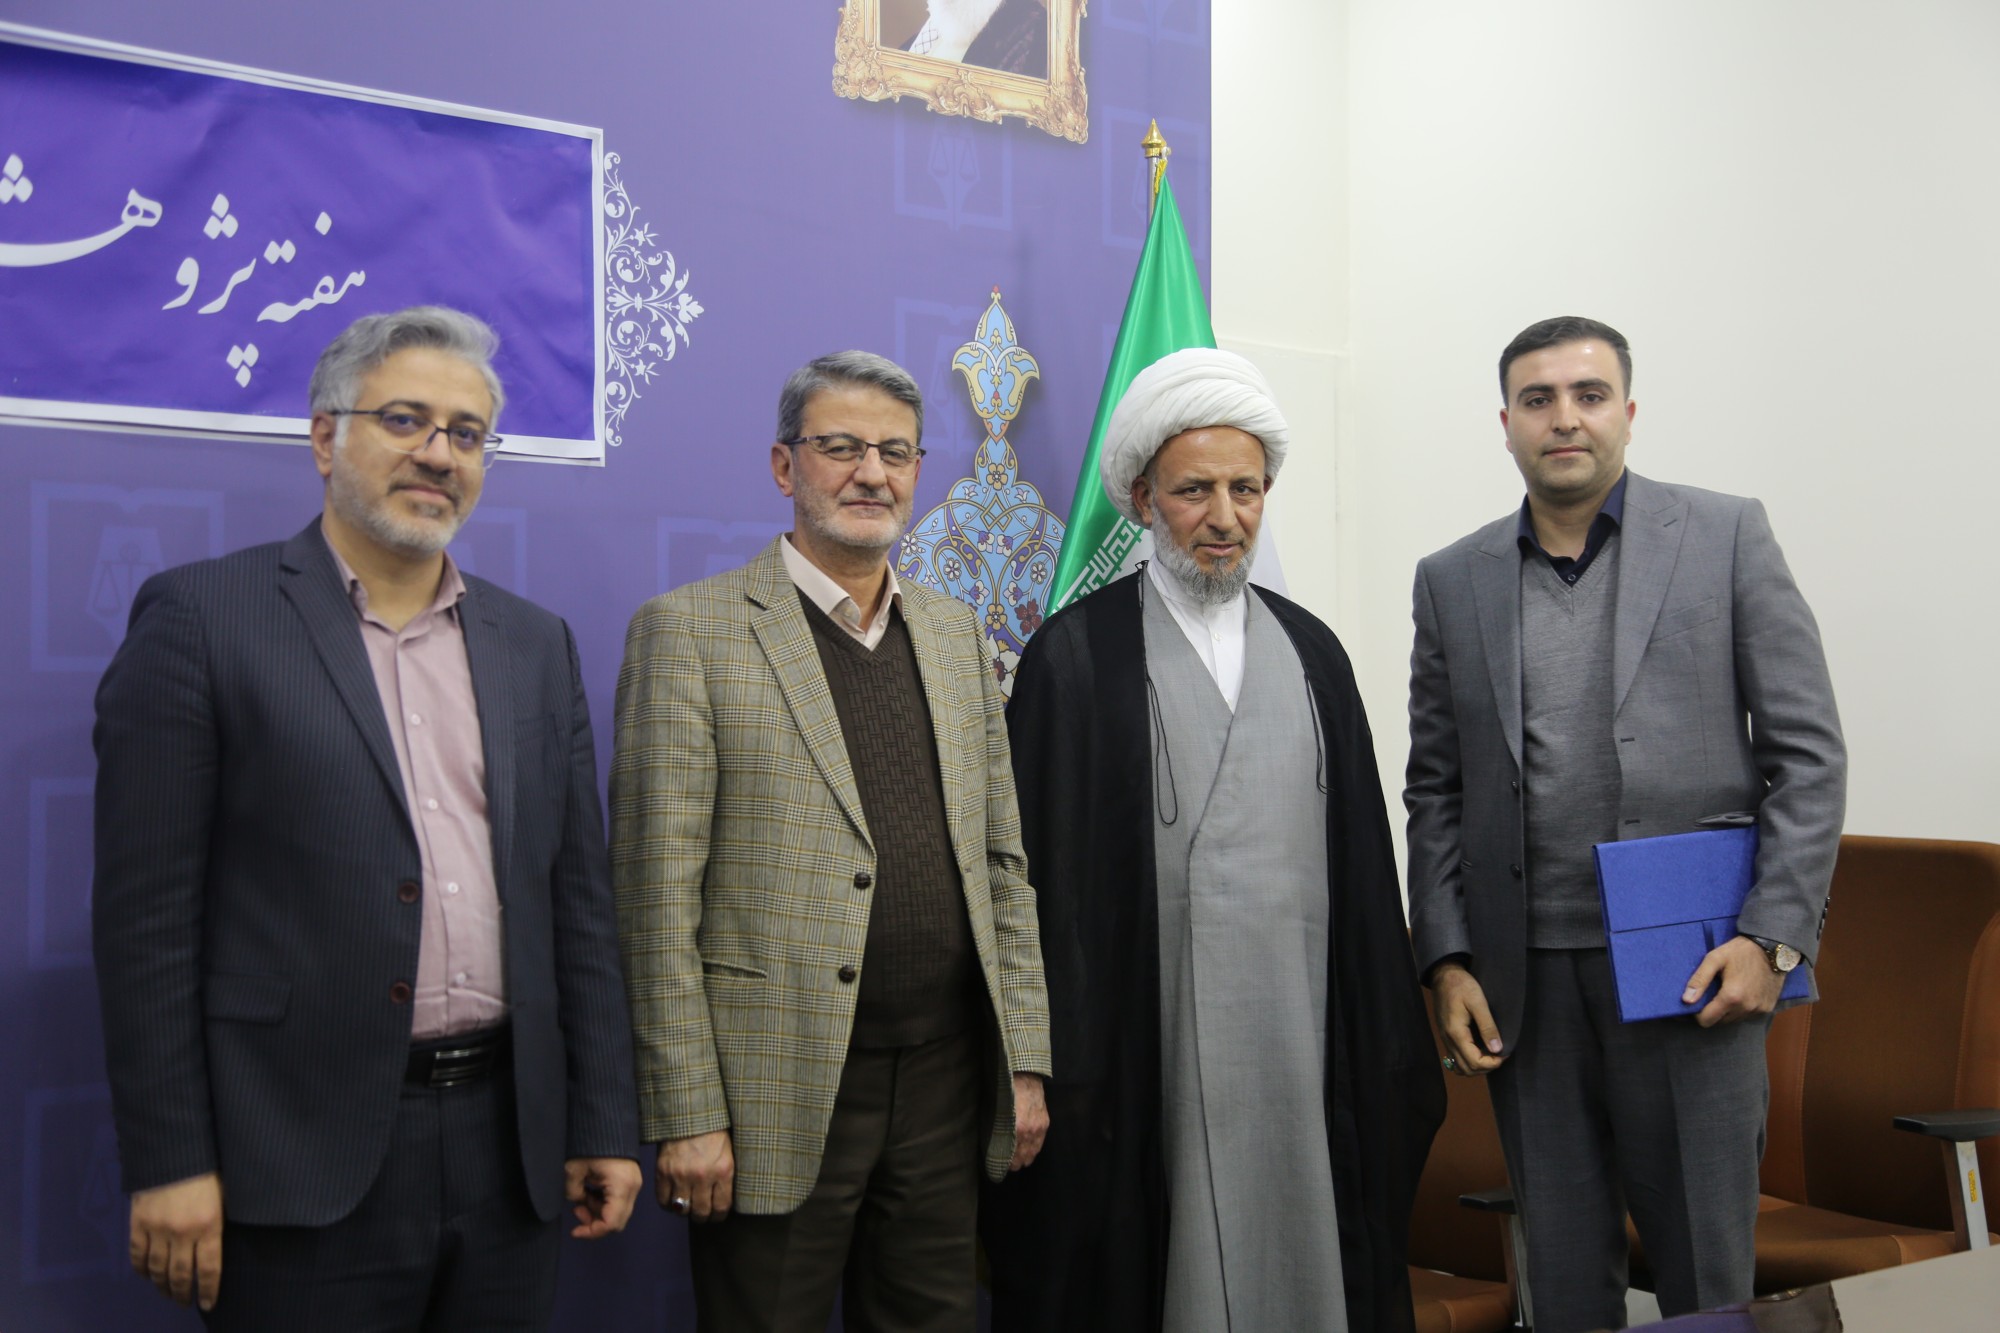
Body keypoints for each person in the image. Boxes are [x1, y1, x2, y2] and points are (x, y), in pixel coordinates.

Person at [91, 306, 642, 1330]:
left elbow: (576, 906)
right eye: (404, 420)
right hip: (297, 1149)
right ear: (324, 437)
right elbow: (145, 927)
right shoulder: (205, 620)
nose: (438, 453)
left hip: (509, 1151)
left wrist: (603, 1116)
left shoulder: (535, 644)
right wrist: (170, 1158)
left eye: (466, 433)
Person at [983, 347, 1444, 1333]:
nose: (1223, 516)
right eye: (1194, 490)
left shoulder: (1314, 653)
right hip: (1140, 1053)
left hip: (1301, 1041)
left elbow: (1365, 878)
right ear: (1142, 498)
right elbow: (1032, 891)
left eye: (1245, 489)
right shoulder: (1075, 658)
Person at [1405, 316, 1846, 1332]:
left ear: (1628, 413)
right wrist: (1447, 958)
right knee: (1562, 1286)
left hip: (1692, 973)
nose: (1564, 418)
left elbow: (1809, 756)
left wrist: (1771, 939)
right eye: (1538, 399)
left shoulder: (1725, 536)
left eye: (1588, 395)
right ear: (1505, 424)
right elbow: (1435, 787)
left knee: (1705, 1280)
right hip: (1523, 989)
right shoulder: (1452, 578)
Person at [609, 350, 1051, 1332]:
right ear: (784, 465)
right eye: (841, 447)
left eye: (894, 452)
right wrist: (687, 1110)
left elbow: (1002, 867)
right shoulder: (689, 633)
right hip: (774, 1086)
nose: (870, 473)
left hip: (944, 1080)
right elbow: (653, 902)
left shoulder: (954, 635)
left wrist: (1023, 1058)